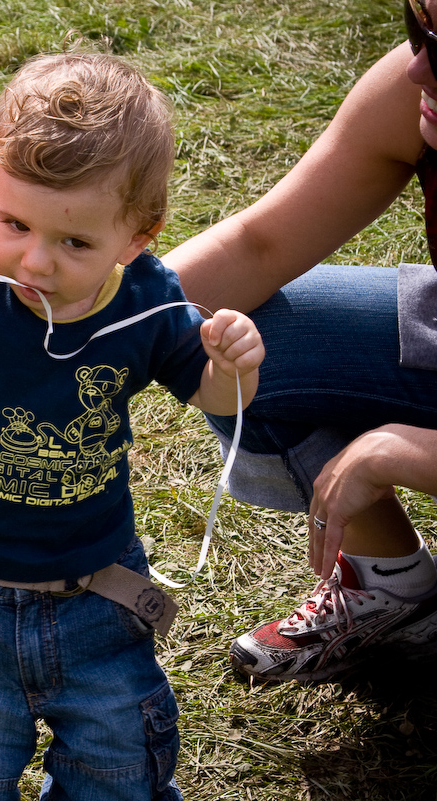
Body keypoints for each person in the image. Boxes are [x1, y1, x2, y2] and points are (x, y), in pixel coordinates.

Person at [0, 51, 264, 800]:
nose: (34, 260)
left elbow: (213, 397)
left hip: (95, 595)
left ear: (137, 235)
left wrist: (232, 367)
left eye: (74, 243)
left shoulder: (146, 298)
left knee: (118, 766)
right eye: (15, 222)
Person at [161, 0, 437, 684]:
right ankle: (390, 581)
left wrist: (399, 450)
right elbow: (259, 244)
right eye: (422, 25)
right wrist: (87, 319)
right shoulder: (414, 90)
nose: (418, 67)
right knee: (247, 337)